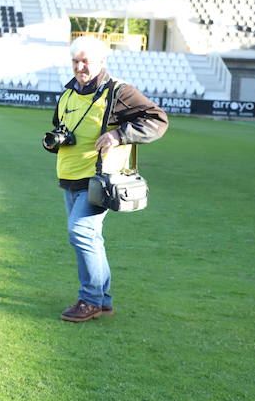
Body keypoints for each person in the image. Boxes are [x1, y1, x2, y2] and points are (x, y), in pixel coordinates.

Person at [42, 36, 168, 322]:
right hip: (69, 175)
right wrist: (54, 142)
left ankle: (91, 300)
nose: (80, 66)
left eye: (86, 61)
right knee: (90, 237)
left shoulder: (119, 91)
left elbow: (157, 120)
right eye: (75, 61)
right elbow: (60, 128)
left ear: (101, 61)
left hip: (100, 179)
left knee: (82, 233)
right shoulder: (68, 94)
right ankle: (104, 300)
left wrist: (118, 134)